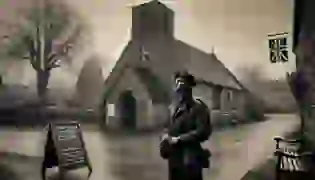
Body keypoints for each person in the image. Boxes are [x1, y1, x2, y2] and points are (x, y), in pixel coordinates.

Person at [160, 70, 212, 180]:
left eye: (183, 89)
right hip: (174, 161)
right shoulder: (173, 109)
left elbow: (203, 131)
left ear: (189, 89)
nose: (180, 92)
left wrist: (179, 139)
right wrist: (165, 138)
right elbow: (169, 128)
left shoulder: (199, 108)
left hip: (190, 160)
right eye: (178, 89)